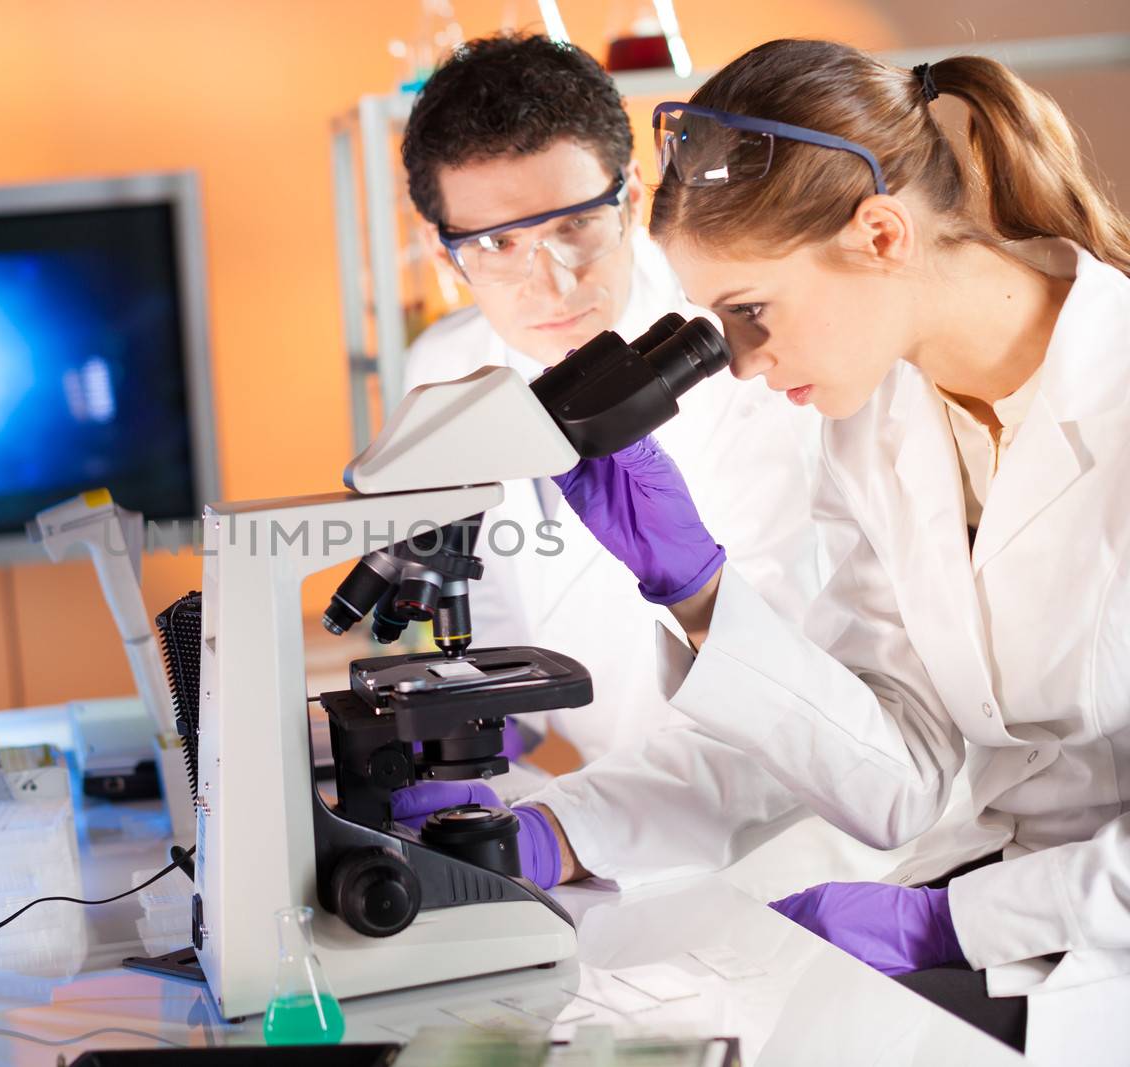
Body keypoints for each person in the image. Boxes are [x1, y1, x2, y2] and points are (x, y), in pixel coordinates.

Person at [534, 38, 1130, 1062]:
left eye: (748, 313)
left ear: (882, 232)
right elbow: (903, 774)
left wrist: (952, 924)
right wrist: (699, 591)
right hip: (1003, 918)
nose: (741, 363)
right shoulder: (874, 427)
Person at [398, 33, 820, 764]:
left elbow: (801, 685)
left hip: (791, 817)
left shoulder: (750, 348)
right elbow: (492, 620)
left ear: (629, 198)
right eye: (497, 246)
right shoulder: (447, 366)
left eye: (575, 226)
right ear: (447, 256)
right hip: (604, 823)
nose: (553, 283)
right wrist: (456, 755)